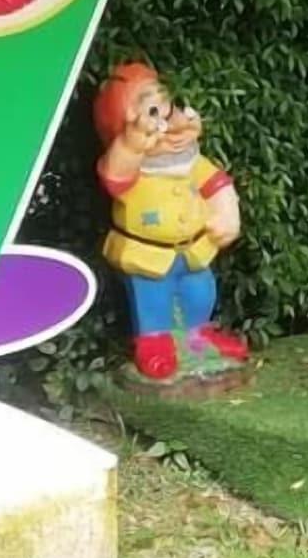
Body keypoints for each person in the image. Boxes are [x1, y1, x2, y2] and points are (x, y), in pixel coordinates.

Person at [94, 62, 247, 383]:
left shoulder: (191, 162)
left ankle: (197, 335)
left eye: (171, 107)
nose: (171, 123)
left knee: (200, 291)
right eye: (153, 112)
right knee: (152, 299)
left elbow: (217, 184)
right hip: (148, 254)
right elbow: (115, 175)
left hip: (195, 248)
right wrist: (131, 144)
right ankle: (154, 342)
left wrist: (227, 215)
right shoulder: (133, 166)